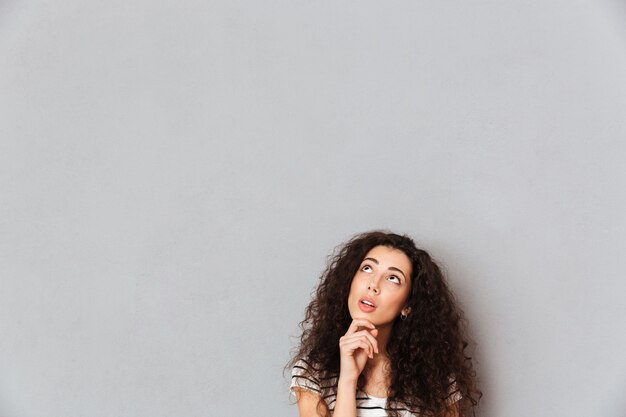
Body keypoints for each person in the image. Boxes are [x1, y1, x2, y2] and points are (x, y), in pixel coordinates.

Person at [286, 231, 481, 417]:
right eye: (367, 268)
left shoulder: (436, 380)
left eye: (393, 278)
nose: (373, 284)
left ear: (408, 305)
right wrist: (348, 379)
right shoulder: (312, 373)